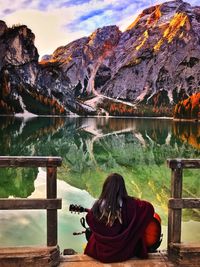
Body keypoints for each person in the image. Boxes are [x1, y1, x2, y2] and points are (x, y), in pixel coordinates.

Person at [84, 173, 154, 263]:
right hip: (124, 253)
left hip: (100, 253)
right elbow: (149, 208)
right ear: (122, 189)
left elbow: (89, 218)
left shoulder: (97, 206)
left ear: (106, 187)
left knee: (93, 238)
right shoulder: (130, 205)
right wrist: (132, 200)